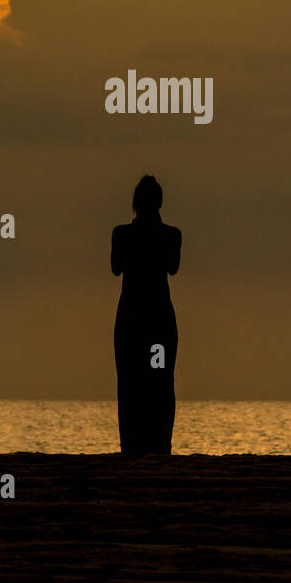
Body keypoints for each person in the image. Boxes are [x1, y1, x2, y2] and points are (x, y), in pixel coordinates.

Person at [111, 176, 181, 455]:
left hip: (131, 317)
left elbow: (116, 266)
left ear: (135, 203)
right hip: (159, 317)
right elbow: (173, 266)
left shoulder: (122, 234)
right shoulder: (171, 235)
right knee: (161, 381)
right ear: (160, 202)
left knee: (129, 382)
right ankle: (161, 444)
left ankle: (131, 444)